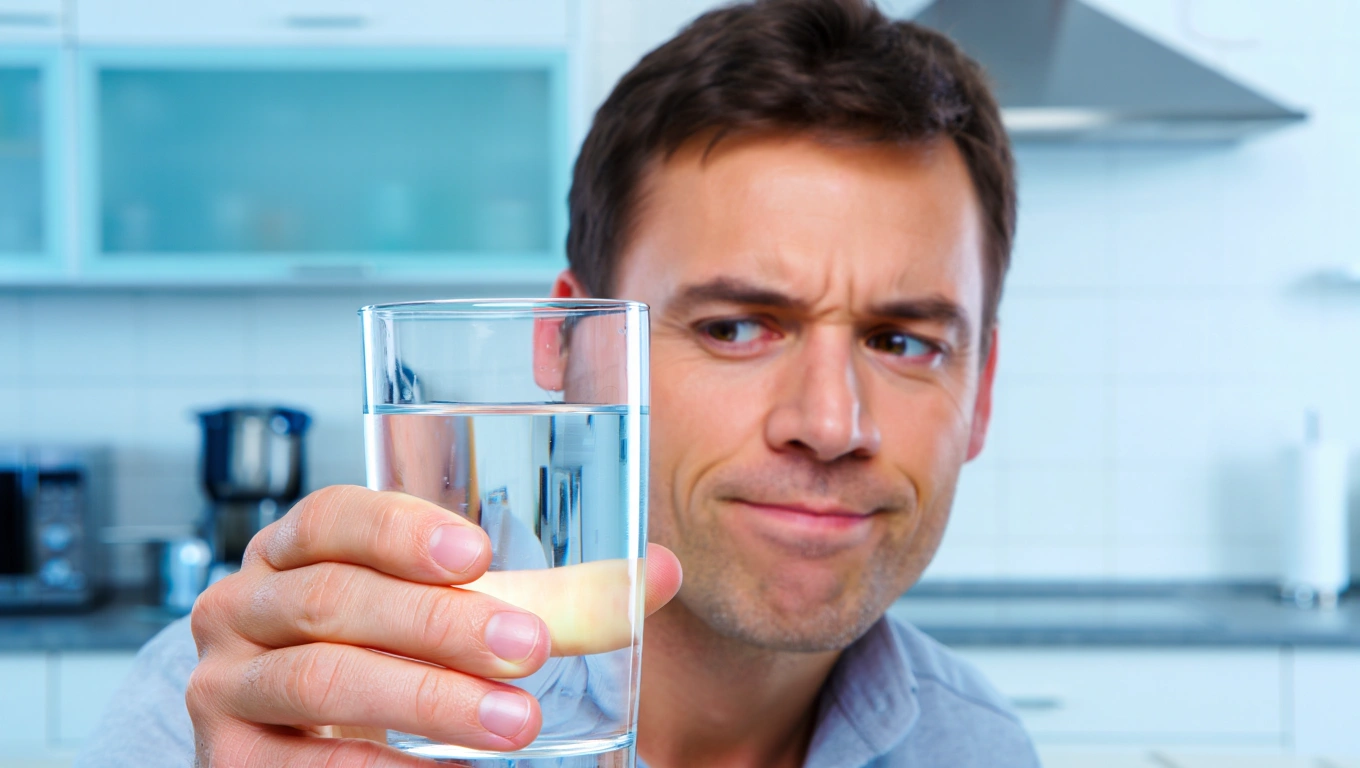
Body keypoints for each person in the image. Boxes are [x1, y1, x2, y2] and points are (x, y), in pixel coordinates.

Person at [77, 0, 1039, 765]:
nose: (831, 423)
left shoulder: (978, 746)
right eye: (736, 326)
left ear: (982, 392)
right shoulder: (263, 722)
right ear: (569, 352)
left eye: (905, 342)